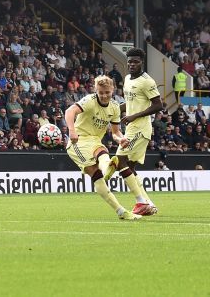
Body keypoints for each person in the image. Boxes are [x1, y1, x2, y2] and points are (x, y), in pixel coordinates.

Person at [64, 76, 140, 220]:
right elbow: (69, 111)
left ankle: (121, 211)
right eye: (101, 92)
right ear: (95, 90)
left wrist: (121, 139)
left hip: (94, 140)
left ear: (113, 90)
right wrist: (71, 131)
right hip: (78, 141)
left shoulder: (115, 107)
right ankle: (108, 170)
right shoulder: (89, 101)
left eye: (107, 92)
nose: (104, 96)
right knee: (98, 166)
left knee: (100, 162)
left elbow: (115, 132)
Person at [109, 48, 164, 216]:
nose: (132, 64)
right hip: (132, 127)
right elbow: (131, 102)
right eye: (130, 61)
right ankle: (148, 203)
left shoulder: (147, 81)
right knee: (130, 168)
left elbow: (158, 105)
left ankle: (141, 202)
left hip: (140, 128)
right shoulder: (126, 79)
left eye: (135, 61)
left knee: (120, 160)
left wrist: (134, 116)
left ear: (142, 62)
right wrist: (117, 109)